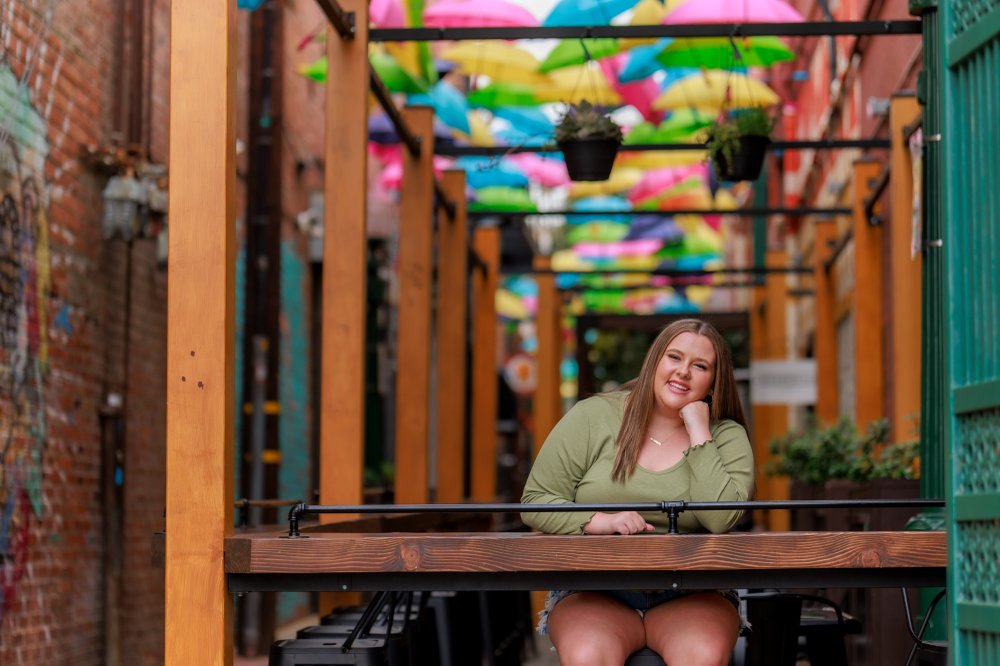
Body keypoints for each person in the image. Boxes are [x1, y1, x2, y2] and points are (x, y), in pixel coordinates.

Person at [521, 318, 754, 666]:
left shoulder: (725, 435)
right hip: (595, 590)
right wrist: (598, 521)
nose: (683, 371)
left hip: (694, 592)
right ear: (654, 361)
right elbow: (536, 501)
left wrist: (698, 431)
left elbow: (720, 518)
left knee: (701, 657)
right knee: (587, 656)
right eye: (674, 357)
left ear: (713, 381)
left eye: (700, 366)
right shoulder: (593, 416)